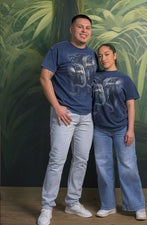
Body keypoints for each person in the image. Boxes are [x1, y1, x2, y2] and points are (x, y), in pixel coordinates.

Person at [37, 14, 97, 225]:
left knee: (81, 160)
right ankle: (47, 207)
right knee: (57, 159)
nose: (84, 31)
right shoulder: (58, 49)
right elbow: (45, 77)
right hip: (65, 114)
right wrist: (56, 106)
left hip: (86, 116)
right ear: (71, 29)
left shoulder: (91, 53)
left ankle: (72, 202)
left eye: (88, 28)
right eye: (80, 27)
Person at [92, 43, 147, 220]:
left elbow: (130, 105)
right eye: (100, 56)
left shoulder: (124, 79)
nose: (103, 58)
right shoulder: (95, 78)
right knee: (103, 168)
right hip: (100, 130)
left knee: (128, 167)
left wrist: (130, 130)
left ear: (114, 55)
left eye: (106, 54)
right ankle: (108, 205)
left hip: (121, 128)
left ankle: (137, 206)